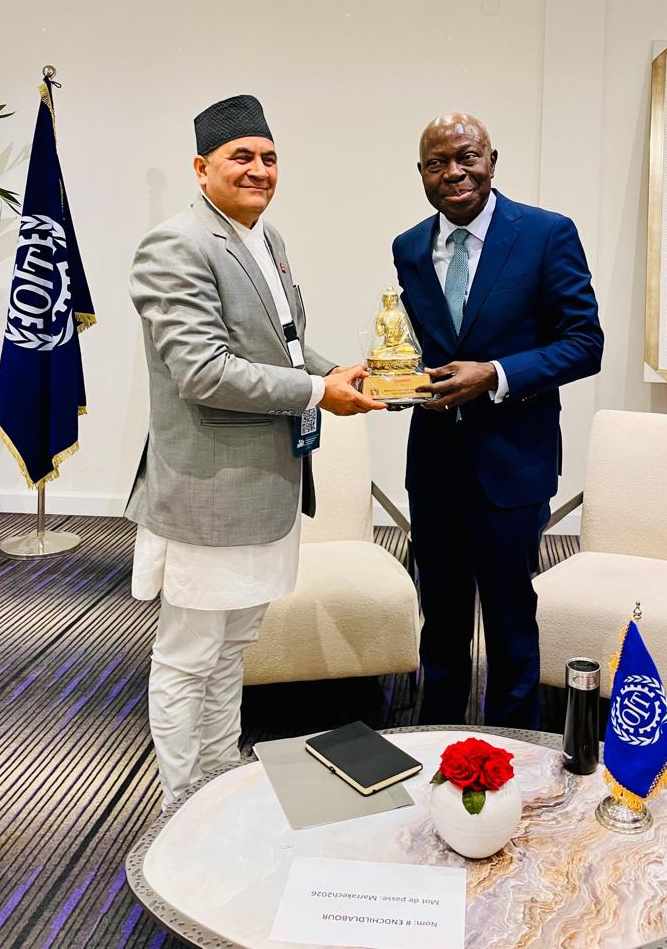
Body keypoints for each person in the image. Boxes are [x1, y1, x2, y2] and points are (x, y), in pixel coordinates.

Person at [126, 94, 381, 807]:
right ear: (200, 168)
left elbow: (282, 347)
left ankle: (216, 783)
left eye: (269, 158)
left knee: (234, 649)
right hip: (209, 491)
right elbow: (203, 372)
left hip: (266, 486)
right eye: (241, 157)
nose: (259, 170)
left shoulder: (267, 239)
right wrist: (317, 392)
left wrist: (338, 372)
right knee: (188, 658)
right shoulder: (176, 245)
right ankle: (180, 805)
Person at [391, 113, 603, 728]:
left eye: (467, 157)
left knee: (511, 620)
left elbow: (584, 344)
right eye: (438, 163)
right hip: (434, 463)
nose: (454, 173)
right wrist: (402, 382)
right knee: (441, 619)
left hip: (513, 462)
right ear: (422, 173)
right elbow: (424, 346)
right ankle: (436, 737)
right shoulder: (408, 247)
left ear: (491, 161)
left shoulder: (546, 234)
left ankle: (516, 750)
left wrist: (495, 374)